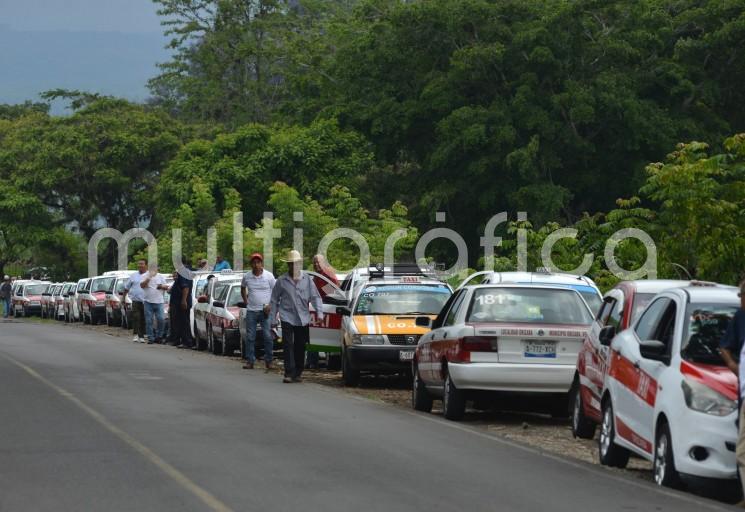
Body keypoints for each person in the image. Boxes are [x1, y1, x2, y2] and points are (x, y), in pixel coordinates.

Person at [269, 250, 324, 383]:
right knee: (288, 344)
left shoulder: (307, 280)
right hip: (287, 316)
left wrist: (319, 312)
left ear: (300, 264)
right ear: (288, 265)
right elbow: (274, 300)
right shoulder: (281, 281)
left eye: (296, 263)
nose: (294, 266)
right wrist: (273, 318)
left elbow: (315, 297)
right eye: (291, 264)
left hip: (303, 317)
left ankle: (298, 372)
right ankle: (288, 372)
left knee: (300, 345)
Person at [721, 279, 745, 500]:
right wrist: (734, 367)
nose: (740, 300)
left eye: (742, 295)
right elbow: (725, 348)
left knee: (743, 452)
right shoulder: (740, 318)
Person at [240, 253, 276, 371]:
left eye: (258, 262)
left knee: (267, 336)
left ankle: (269, 361)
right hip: (251, 310)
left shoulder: (269, 276)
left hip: (265, 310)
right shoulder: (247, 276)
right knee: (250, 337)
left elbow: (275, 292)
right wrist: (246, 301)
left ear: (262, 264)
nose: (256, 265)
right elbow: (242, 288)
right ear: (251, 265)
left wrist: (270, 305)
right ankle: (250, 361)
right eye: (254, 263)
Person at [307, 254, 339, 369]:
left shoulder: (327, 276)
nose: (316, 264)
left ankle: (329, 363)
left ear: (324, 263)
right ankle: (312, 362)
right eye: (314, 262)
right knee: (314, 337)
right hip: (316, 310)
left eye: (318, 262)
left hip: (327, 310)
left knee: (325, 338)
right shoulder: (316, 276)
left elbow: (331, 294)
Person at [170, 257, 195, 349]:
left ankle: (187, 342)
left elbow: (185, 287)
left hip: (182, 301)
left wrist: (183, 300)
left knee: (184, 322)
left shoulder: (183, 272)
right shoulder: (185, 271)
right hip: (180, 301)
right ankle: (182, 340)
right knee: (181, 321)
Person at [140, 264, 167, 344]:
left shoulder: (160, 276)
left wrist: (161, 286)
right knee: (149, 321)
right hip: (148, 301)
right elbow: (142, 285)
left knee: (161, 319)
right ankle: (150, 337)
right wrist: (149, 278)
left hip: (159, 301)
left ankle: (159, 336)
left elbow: (166, 287)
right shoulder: (144, 275)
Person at [122, 260, 148, 343]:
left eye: (142, 264)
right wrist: (123, 298)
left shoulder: (148, 275)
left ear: (146, 265)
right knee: (136, 317)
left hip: (146, 301)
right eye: (139, 264)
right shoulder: (133, 276)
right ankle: (136, 334)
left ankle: (142, 336)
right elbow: (127, 288)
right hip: (136, 300)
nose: (140, 265)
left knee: (143, 318)